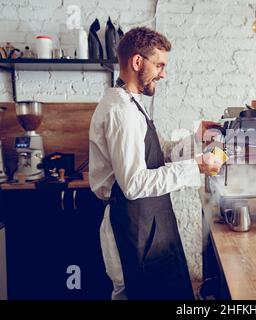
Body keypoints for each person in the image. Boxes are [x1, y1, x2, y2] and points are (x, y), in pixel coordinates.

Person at [89, 27, 223, 300]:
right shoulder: (120, 112)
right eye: (159, 64)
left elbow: (160, 150)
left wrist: (197, 139)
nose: (163, 73)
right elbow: (134, 184)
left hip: (145, 219)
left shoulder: (132, 104)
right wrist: (196, 167)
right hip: (129, 225)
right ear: (137, 62)